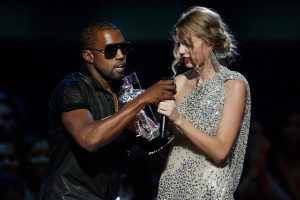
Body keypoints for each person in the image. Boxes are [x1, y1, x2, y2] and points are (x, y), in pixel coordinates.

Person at [37, 21, 176, 200]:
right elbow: (89, 139)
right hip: (68, 195)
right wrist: (142, 100)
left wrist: (170, 116)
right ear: (88, 55)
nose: (120, 56)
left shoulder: (123, 92)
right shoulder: (72, 88)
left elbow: (157, 147)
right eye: (110, 50)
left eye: (123, 48)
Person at [156, 6, 251, 199]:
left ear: (208, 41)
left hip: (209, 193)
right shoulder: (179, 83)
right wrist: (145, 129)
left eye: (187, 43)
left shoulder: (233, 85)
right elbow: (167, 151)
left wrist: (179, 119)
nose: (181, 51)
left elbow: (220, 151)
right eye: (179, 44)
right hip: (171, 190)